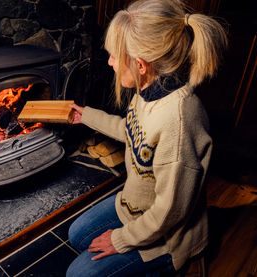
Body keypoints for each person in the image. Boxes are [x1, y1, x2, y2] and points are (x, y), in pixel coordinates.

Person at [66, 0, 228, 276]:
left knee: (77, 274)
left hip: (166, 236)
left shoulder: (178, 121)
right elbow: (132, 134)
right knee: (76, 235)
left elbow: (169, 212)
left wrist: (120, 240)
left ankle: (178, 262)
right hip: (134, 206)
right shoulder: (150, 91)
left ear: (141, 65)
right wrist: (86, 116)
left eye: (114, 56)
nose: (110, 63)